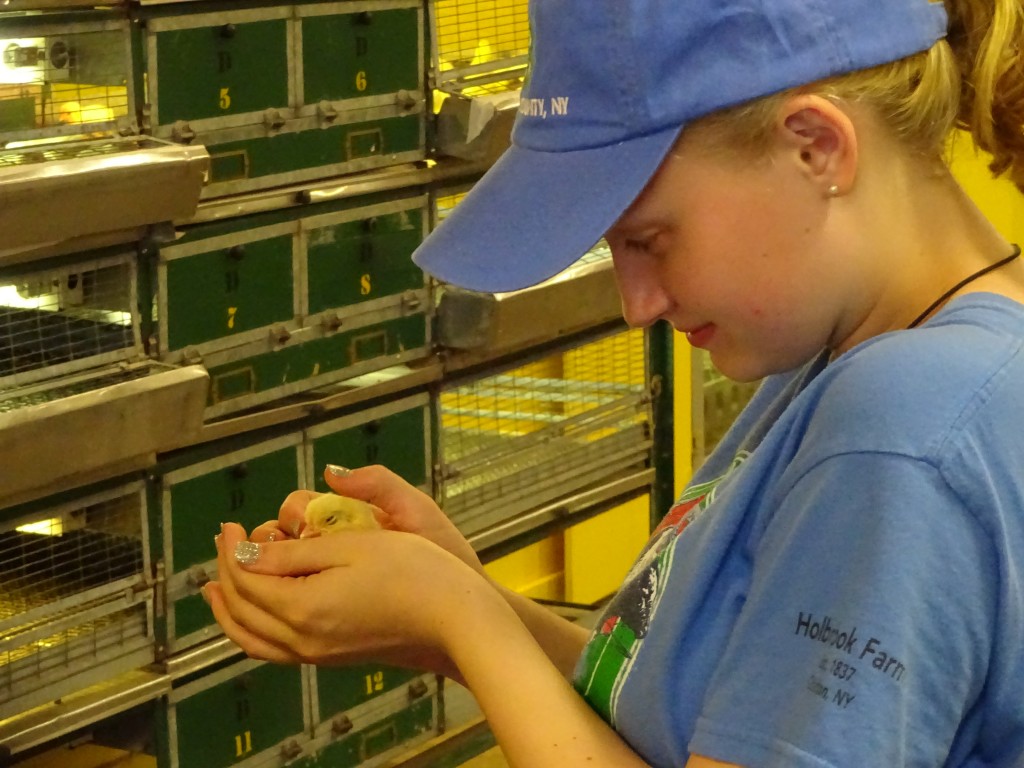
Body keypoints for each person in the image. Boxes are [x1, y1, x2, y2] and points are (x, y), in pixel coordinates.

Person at [204, 0, 1024, 764]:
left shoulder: (901, 429)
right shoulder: (858, 356)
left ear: (816, 146)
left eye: (650, 238)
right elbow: (685, 710)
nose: (636, 306)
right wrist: (455, 606)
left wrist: (459, 617)